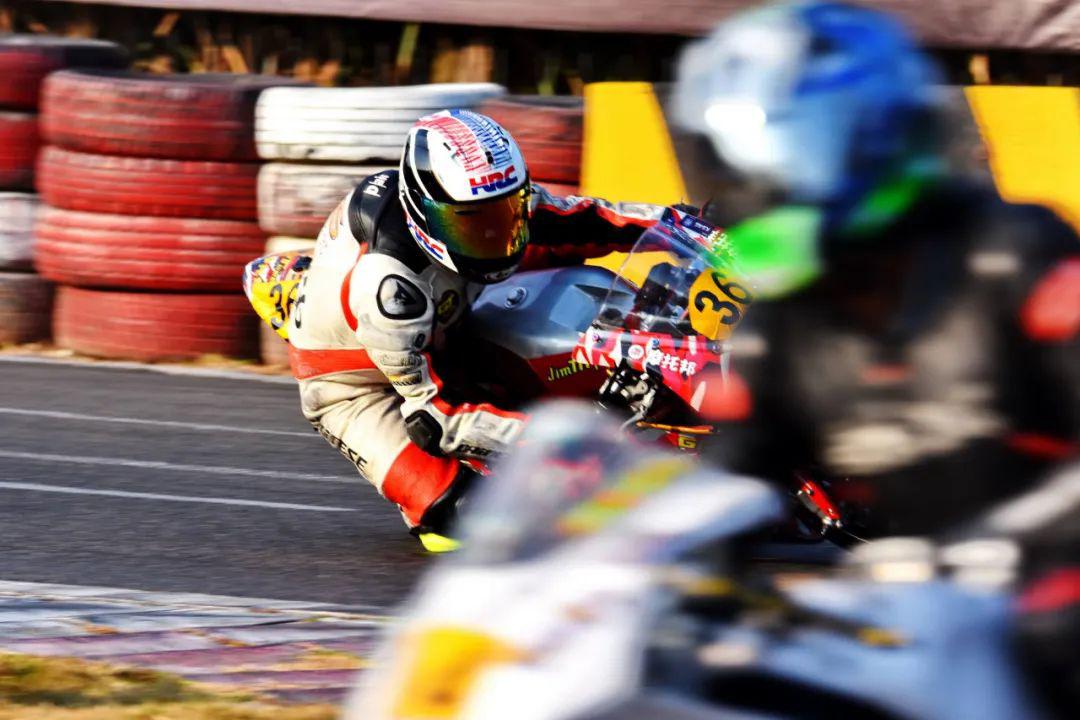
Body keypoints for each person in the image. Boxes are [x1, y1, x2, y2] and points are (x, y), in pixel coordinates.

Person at [670, 1, 1080, 713]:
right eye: (735, 175)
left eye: (766, 175)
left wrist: (1007, 543)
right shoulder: (782, 329)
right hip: (934, 624)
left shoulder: (1014, 254)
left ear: (867, 142)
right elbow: (725, 484)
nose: (752, 200)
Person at [285, 109, 661, 542]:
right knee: (468, 517)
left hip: (447, 318)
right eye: (471, 223)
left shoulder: (486, 198)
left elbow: (585, 216)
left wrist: (686, 222)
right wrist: (576, 442)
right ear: (425, 213)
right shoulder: (388, 287)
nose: (493, 237)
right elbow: (434, 419)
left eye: (503, 213)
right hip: (360, 388)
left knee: (565, 259)